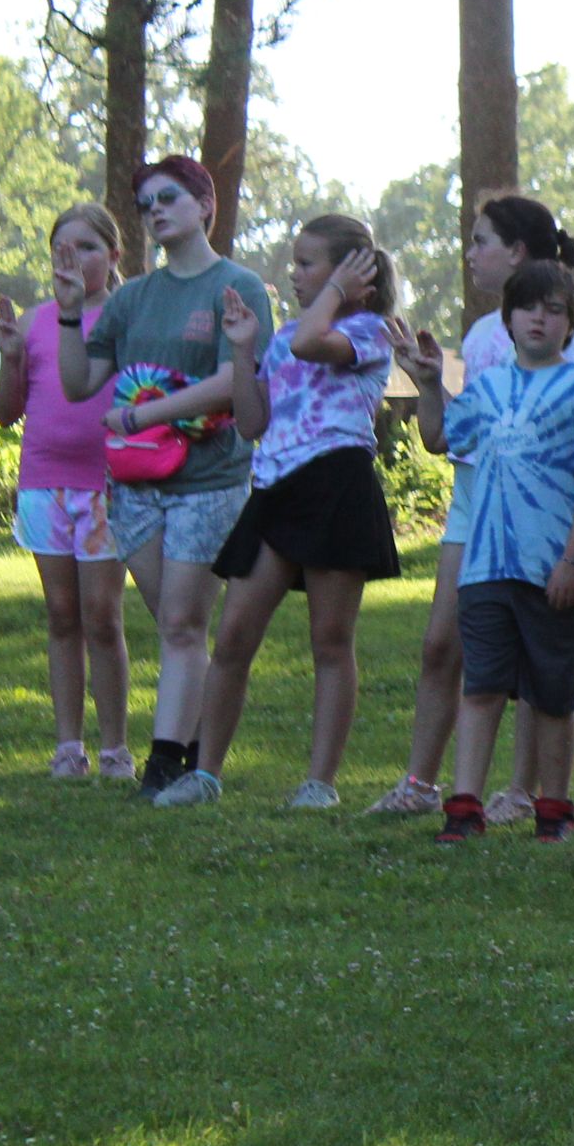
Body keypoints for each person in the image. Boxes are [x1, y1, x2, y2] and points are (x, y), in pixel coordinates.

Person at [155, 216, 402, 809]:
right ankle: (205, 773)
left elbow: (311, 343)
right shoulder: (285, 333)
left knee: (330, 642)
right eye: (295, 263)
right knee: (235, 634)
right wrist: (242, 352)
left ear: (351, 275)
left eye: (307, 264)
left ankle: (320, 784)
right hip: (276, 488)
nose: (293, 274)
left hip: (336, 486)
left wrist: (341, 292)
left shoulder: (371, 330)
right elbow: (252, 421)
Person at [61, 154, 273, 796]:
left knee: (182, 622)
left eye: (170, 197)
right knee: (174, 623)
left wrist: (147, 412)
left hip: (211, 481)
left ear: (206, 205)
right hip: (134, 486)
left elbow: (228, 386)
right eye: (147, 201)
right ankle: (197, 749)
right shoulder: (130, 298)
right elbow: (79, 385)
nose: (156, 209)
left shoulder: (239, 286)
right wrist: (70, 314)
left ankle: (163, 764)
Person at [376, 192, 574, 817]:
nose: (470, 252)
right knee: (442, 644)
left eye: (480, 241)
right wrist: (427, 382)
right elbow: (454, 433)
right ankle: (422, 784)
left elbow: (570, 442)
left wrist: (570, 550)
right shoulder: (480, 333)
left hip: (537, 513)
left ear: (517, 252)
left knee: (534, 659)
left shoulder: (561, 339)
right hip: (475, 504)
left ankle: (523, 792)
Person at [408, 257, 574, 844]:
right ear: (507, 320)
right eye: (528, 307)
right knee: (479, 687)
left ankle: (552, 810)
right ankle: (464, 807)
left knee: (551, 694)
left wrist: (573, 560)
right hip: (485, 568)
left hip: (551, 569)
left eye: (555, 310)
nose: (539, 318)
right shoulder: (488, 389)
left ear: (573, 324)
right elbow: (438, 437)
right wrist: (430, 384)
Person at [0, 205, 134, 779]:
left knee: (102, 615)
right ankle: (68, 746)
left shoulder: (128, 318)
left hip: (109, 484)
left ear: (115, 256)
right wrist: (9, 359)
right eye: (61, 249)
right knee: (61, 614)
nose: (71, 260)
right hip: (44, 484)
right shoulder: (32, 322)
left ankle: (116, 747)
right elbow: (4, 414)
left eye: (87, 248)